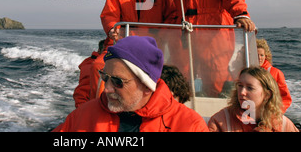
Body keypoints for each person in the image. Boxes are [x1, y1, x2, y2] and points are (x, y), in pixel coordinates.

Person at [53, 36, 209, 132]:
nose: (106, 89)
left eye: (117, 82)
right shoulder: (83, 116)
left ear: (147, 86)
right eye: (105, 77)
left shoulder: (189, 125)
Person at [208, 66, 299, 132]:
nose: (242, 92)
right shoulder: (220, 121)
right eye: (240, 86)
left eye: (250, 88)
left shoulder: (283, 124)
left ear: (267, 95)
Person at [257, 38, 292, 113]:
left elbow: (285, 98)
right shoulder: (246, 72)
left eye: (262, 55)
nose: (259, 58)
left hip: (269, 113)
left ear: (266, 56)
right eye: (256, 55)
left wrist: (276, 113)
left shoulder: (276, 73)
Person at [72, 39, 106, 108]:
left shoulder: (87, 62)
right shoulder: (94, 66)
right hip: (85, 102)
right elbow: (85, 88)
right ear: (99, 51)